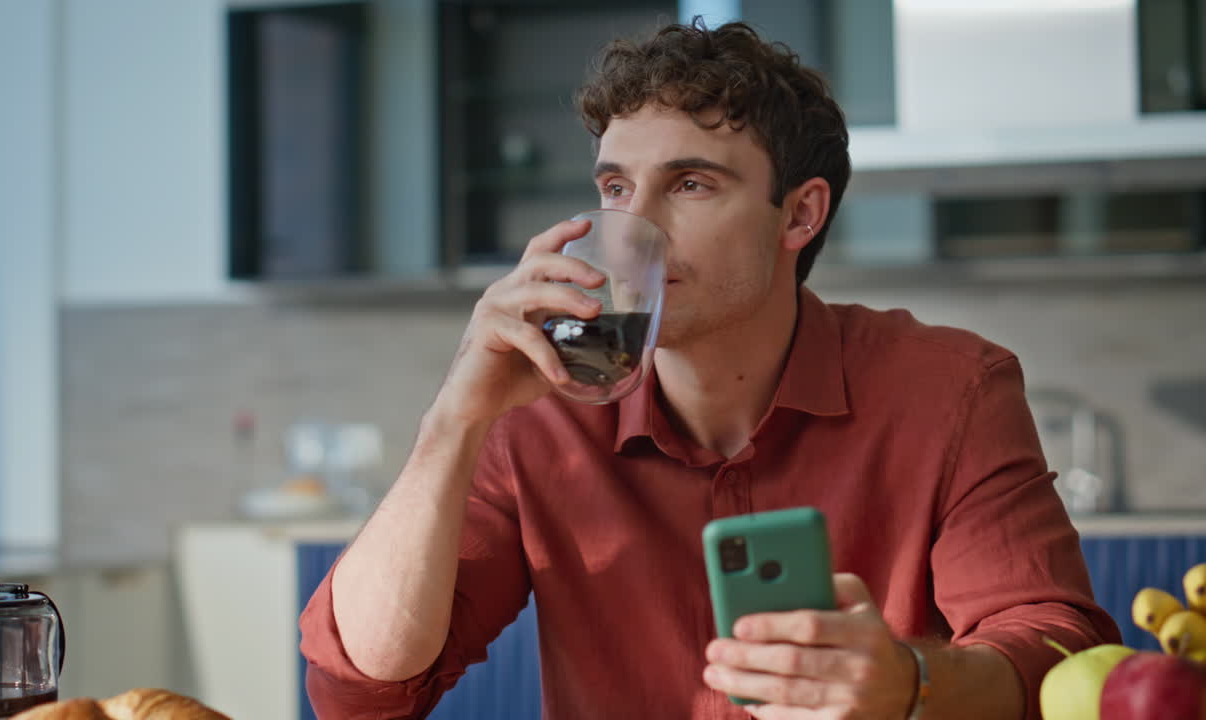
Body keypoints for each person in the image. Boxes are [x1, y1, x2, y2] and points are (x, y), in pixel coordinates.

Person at [300, 18, 1120, 720]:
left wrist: (910, 685)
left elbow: (1057, 648)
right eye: (617, 187)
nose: (636, 224)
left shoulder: (950, 389)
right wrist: (455, 419)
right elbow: (364, 691)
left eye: (690, 183)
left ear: (799, 214)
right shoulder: (540, 410)